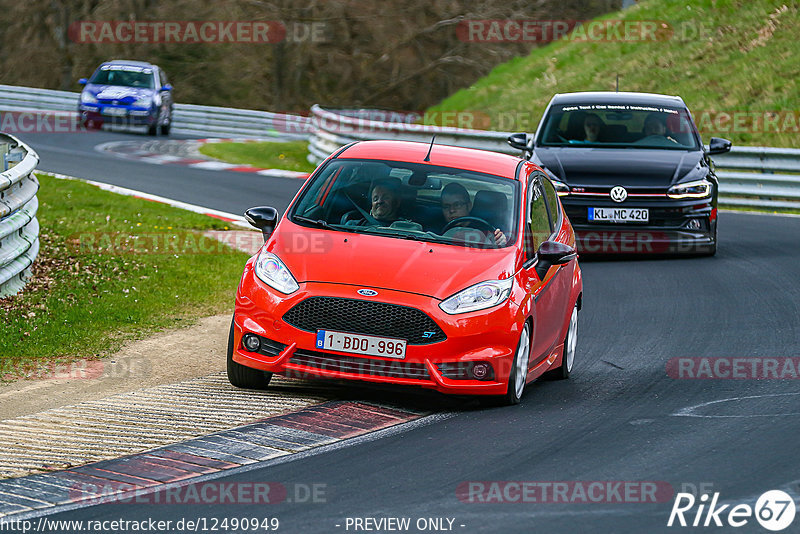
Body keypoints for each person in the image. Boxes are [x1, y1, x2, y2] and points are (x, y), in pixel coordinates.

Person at [439, 183, 507, 246]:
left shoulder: (485, 229)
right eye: (446, 206)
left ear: (469, 206)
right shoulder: (436, 227)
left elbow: (497, 246)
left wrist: (500, 241)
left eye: (457, 205)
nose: (451, 210)